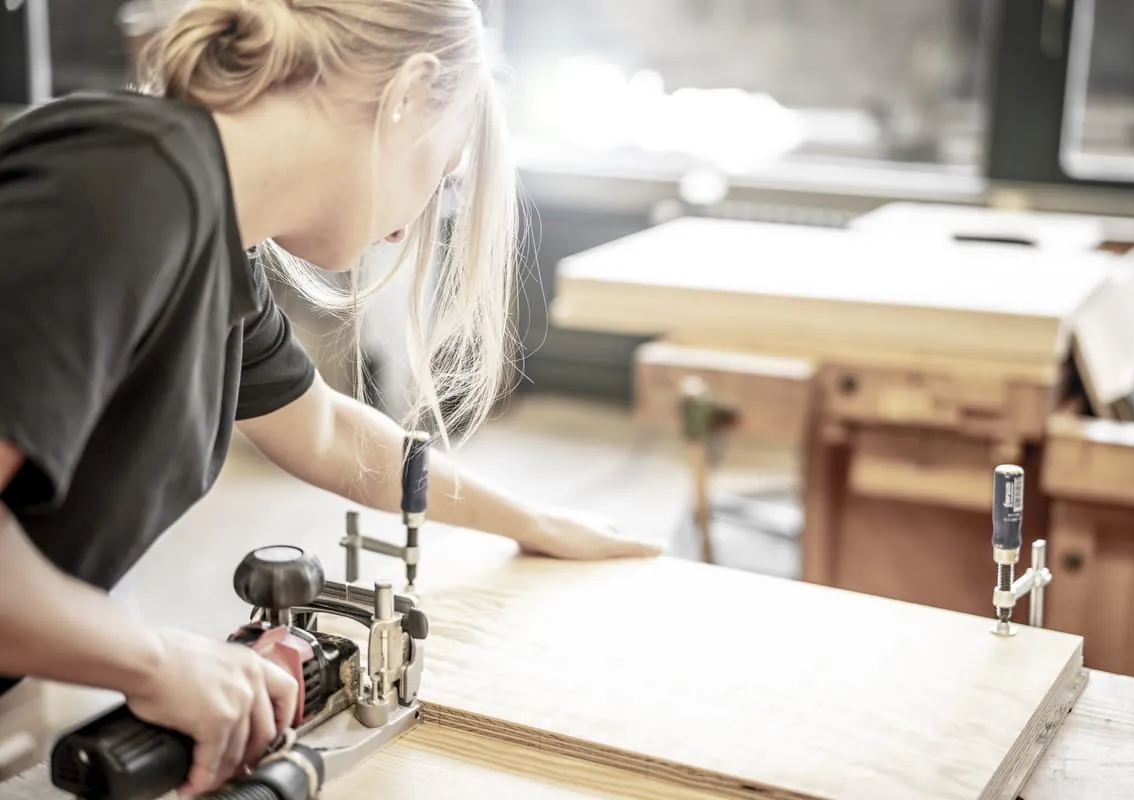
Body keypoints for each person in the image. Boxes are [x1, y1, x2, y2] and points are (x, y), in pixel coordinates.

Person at [0, 0, 660, 794]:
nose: (410, 222)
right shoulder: (131, 184)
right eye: (441, 171)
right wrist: (159, 659)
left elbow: (325, 432)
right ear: (411, 90)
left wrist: (532, 521)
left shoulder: (210, 231)